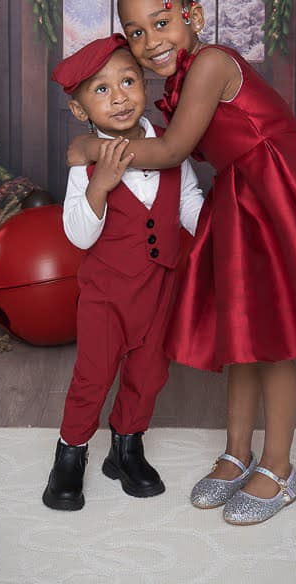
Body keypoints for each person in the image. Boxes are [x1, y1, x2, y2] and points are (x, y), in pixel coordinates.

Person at [67, 0, 296, 526]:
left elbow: (172, 153)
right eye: (137, 32)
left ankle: (279, 465)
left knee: (272, 339)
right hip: (243, 196)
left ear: (193, 14)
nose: (151, 41)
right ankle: (237, 452)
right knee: (242, 332)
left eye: (162, 21)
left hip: (276, 196)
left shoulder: (211, 65)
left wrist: (90, 148)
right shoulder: (180, 79)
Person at [43, 33, 204, 512]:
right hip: (107, 296)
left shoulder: (169, 144)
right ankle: (70, 455)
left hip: (159, 289)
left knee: (149, 374)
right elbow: (77, 234)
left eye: (128, 81)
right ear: (80, 111)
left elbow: (189, 201)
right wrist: (100, 187)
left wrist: (219, 235)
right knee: (93, 377)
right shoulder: (88, 160)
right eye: (101, 90)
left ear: (145, 84)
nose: (118, 96)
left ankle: (126, 446)